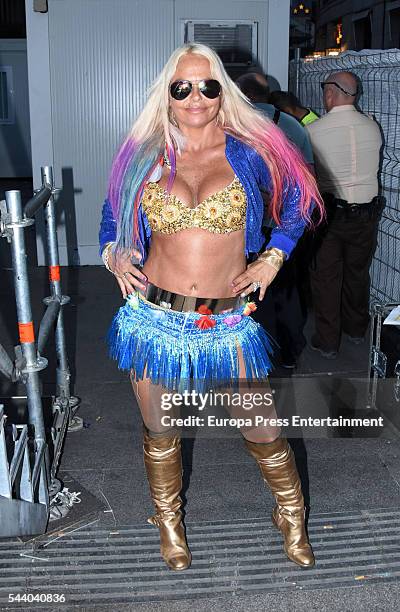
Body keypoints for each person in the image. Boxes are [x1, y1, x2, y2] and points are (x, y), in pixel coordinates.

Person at [99, 43, 322, 571]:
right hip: (154, 316)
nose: (195, 97)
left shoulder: (252, 149)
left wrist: (273, 257)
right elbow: (112, 218)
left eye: (207, 86)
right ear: (167, 96)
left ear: (223, 91)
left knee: (260, 425)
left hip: (226, 318)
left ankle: (291, 514)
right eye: (182, 88)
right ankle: (169, 523)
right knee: (160, 427)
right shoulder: (143, 153)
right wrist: (114, 253)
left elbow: (301, 200)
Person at [236, 72, 314, 368]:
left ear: (242, 95)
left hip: (248, 226)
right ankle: (289, 352)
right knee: (288, 289)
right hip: (286, 223)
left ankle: (254, 355)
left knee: (250, 291)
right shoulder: (292, 125)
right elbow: (308, 178)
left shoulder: (234, 127)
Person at [305, 71, 383, 358]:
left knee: (326, 277)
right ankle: (355, 330)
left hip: (330, 215)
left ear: (331, 94)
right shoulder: (373, 128)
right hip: (365, 215)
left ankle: (327, 342)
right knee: (357, 273)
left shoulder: (313, 132)